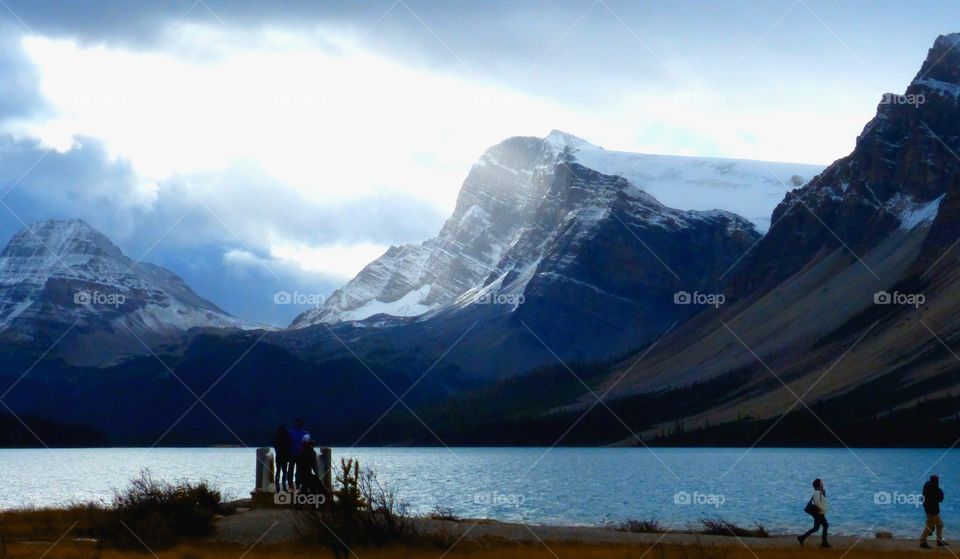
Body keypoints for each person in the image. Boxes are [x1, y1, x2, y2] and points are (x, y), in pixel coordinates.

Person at [798, 478, 830, 548]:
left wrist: (824, 493)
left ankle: (802, 537)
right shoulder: (816, 493)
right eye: (821, 482)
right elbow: (817, 503)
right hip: (818, 512)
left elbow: (822, 501)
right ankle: (824, 543)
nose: (822, 483)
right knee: (825, 525)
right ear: (819, 484)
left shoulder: (820, 492)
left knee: (816, 528)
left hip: (818, 512)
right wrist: (823, 509)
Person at [920, 474, 948, 549]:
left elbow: (922, 499)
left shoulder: (926, 486)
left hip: (928, 510)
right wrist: (940, 492)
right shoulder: (935, 490)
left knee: (939, 525)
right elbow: (940, 499)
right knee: (930, 526)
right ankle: (922, 542)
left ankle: (939, 541)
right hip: (933, 512)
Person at [287, 418, 310, 489]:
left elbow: (308, 444)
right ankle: (290, 483)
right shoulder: (290, 432)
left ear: (302, 425)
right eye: (297, 423)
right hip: (291, 454)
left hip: (301, 455)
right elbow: (287, 443)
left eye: (299, 424)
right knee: (290, 469)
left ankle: (298, 483)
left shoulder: (305, 434)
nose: (298, 425)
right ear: (295, 424)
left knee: (299, 470)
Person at [272, 425, 291, 492]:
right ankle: (284, 485)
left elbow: (275, 446)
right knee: (284, 471)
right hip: (284, 456)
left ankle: (278, 485)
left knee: (278, 470)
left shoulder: (276, 437)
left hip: (279, 456)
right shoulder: (287, 437)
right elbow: (289, 446)